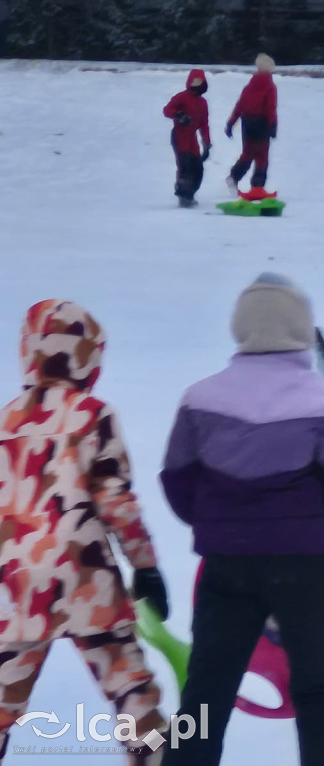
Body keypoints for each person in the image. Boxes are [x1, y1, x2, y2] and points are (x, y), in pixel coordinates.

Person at [160, 273, 324, 766]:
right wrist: (316, 521)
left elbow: (177, 479)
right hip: (302, 566)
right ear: (301, 328)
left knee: (207, 688)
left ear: (241, 325)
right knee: (319, 685)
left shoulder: (200, 398)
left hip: (226, 563)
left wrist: (218, 523)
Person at [0, 300, 169, 766]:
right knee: (132, 693)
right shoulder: (93, 415)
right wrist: (146, 566)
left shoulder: (6, 422)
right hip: (86, 580)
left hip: (18, 587)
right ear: (89, 355)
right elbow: (115, 501)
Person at [226, 53, 278, 193]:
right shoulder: (270, 87)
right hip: (262, 124)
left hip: (247, 123)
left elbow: (240, 106)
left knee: (248, 153)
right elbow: (271, 108)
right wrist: (272, 125)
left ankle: (234, 177)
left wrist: (231, 123)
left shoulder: (249, 87)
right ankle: (257, 186)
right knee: (262, 156)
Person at [163, 69, 211, 207]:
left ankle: (190, 194)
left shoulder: (203, 103)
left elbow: (204, 124)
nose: (195, 84)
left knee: (198, 168)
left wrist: (207, 142)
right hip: (179, 136)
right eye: (193, 81)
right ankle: (183, 196)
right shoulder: (182, 97)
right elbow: (167, 110)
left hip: (192, 139)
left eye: (199, 81)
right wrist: (179, 115)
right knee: (185, 166)